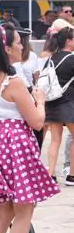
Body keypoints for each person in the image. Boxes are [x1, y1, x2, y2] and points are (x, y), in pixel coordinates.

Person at [0, 23, 60, 233]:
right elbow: (37, 122)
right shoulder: (13, 82)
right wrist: (41, 101)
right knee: (25, 211)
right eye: (18, 42)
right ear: (7, 49)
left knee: (4, 213)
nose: (22, 46)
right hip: (17, 147)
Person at [43, 27, 74, 185]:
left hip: (51, 103)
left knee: (55, 139)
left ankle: (51, 174)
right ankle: (72, 175)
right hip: (69, 103)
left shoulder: (50, 59)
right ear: (68, 41)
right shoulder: (72, 59)